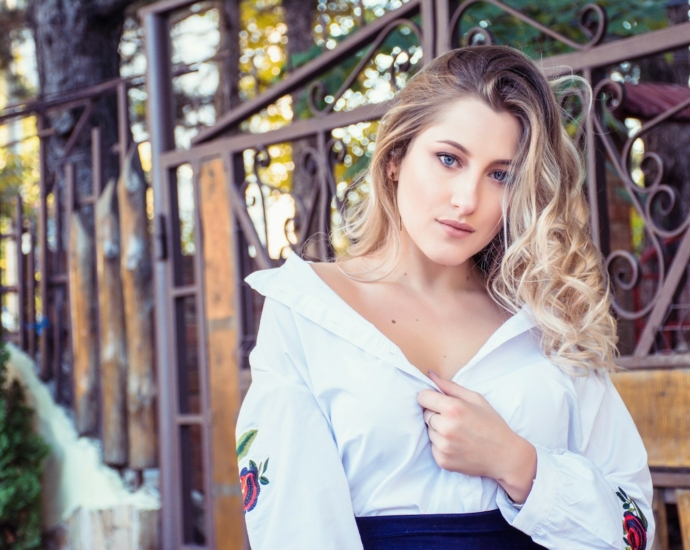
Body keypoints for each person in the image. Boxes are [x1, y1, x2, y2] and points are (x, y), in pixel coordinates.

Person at [235, 45, 654, 550]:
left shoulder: (547, 322)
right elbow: (293, 530)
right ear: (395, 158)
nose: (467, 200)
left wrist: (519, 463)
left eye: (500, 174)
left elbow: (634, 528)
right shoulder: (308, 310)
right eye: (448, 159)